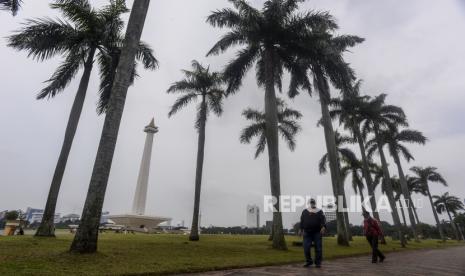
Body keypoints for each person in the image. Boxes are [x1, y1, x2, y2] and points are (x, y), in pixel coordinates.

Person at [300, 198, 326, 268]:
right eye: (311, 202)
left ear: (315, 203)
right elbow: (302, 221)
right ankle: (309, 261)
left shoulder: (320, 211)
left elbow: (323, 220)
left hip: (317, 232)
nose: (312, 204)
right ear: (309, 203)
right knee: (306, 247)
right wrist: (300, 229)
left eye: (313, 202)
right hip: (307, 232)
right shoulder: (305, 211)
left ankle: (318, 263)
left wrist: (323, 227)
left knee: (318, 248)